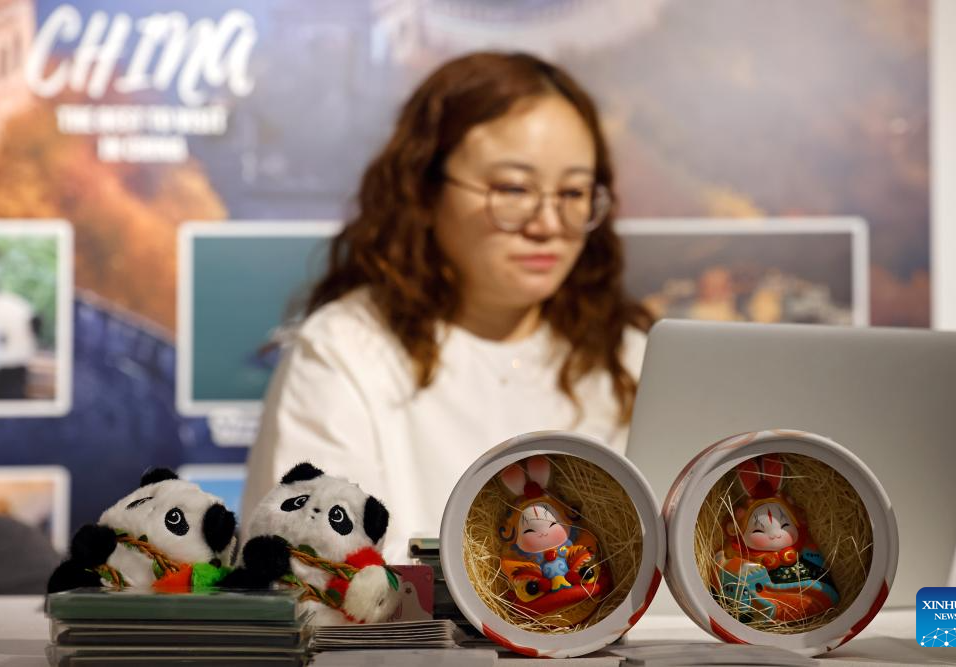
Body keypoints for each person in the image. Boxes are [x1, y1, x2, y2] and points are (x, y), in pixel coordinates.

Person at [241, 52, 652, 562]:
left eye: (573, 193)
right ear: (424, 189)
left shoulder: (631, 360)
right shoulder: (344, 351)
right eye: (513, 189)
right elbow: (314, 577)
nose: (548, 223)